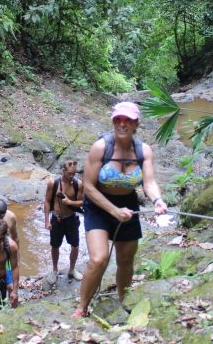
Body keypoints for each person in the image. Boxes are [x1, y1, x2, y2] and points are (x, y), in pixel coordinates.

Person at [72, 101, 167, 318]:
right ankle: (82, 307)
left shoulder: (144, 151)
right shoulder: (101, 147)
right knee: (99, 258)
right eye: (118, 119)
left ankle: (124, 301)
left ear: (136, 124)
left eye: (128, 120)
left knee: (125, 260)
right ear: (113, 121)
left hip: (129, 205)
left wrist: (157, 200)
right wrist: (114, 211)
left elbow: (149, 182)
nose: (122, 124)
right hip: (98, 205)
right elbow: (87, 186)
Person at [44, 159, 85, 284]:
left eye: (74, 174)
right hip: (56, 219)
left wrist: (70, 202)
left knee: (75, 246)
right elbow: (47, 201)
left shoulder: (78, 184)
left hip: (71, 219)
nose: (72, 176)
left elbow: (82, 202)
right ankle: (55, 270)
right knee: (55, 246)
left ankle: (72, 270)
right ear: (63, 171)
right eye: (69, 174)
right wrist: (47, 220)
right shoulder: (53, 183)